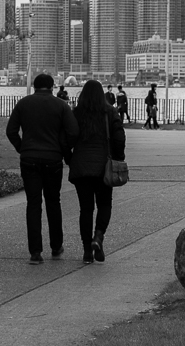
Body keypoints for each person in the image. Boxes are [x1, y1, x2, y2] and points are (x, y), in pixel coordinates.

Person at [7, 73, 80, 264]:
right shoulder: (61, 106)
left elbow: (11, 131)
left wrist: (21, 147)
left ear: (34, 86)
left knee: (33, 204)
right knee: (53, 202)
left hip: (29, 158)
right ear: (52, 87)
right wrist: (64, 149)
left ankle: (35, 252)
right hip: (53, 159)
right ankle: (56, 246)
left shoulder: (23, 104)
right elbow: (73, 131)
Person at [69, 80, 126, 264]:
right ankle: (98, 236)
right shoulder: (109, 111)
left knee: (85, 209)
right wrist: (118, 157)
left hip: (81, 167)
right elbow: (119, 137)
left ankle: (87, 251)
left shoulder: (77, 113)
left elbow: (66, 138)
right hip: (103, 166)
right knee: (104, 205)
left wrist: (69, 158)